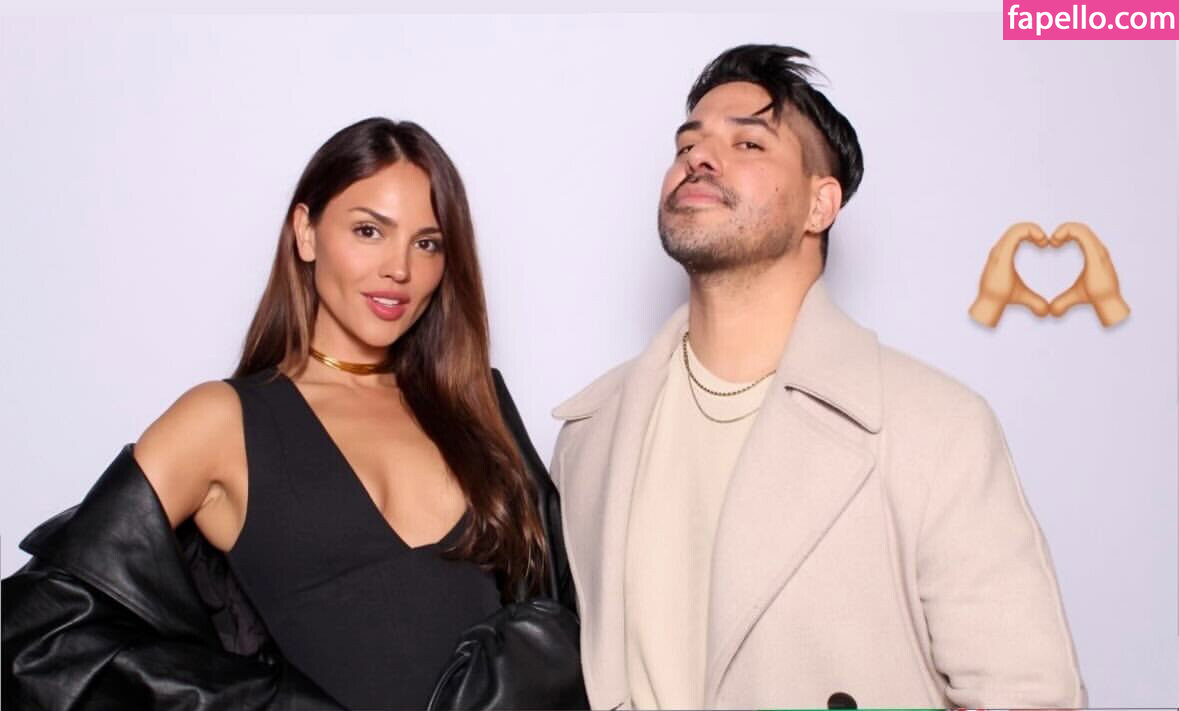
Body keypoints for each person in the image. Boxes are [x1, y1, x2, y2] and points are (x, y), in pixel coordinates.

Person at [549, 44, 1086, 709]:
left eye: (748, 143)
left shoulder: (931, 428)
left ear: (819, 205)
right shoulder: (590, 436)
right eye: (687, 144)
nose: (699, 158)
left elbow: (1026, 693)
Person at [3, 117, 575, 711]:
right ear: (306, 233)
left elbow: (564, 623)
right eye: (369, 231)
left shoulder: (477, 404)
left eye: (427, 243)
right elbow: (36, 635)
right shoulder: (222, 422)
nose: (400, 269)